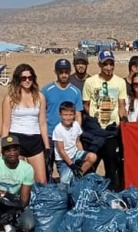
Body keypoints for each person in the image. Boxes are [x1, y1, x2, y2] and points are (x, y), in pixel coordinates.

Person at [82, 50, 128, 190]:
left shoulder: (120, 82)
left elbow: (121, 105)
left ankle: (111, 193)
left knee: (111, 166)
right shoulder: (90, 82)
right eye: (105, 64)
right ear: (99, 65)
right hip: (95, 131)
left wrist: (124, 120)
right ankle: (88, 193)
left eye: (111, 64)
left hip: (111, 132)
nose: (108, 67)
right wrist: (93, 119)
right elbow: (86, 104)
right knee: (91, 165)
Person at [1, 64, 49, 184]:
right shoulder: (10, 98)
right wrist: (4, 146)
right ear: (18, 79)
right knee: (18, 180)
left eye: (30, 77)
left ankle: (37, 203)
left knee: (41, 181)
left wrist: (47, 147)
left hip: (35, 140)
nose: (27, 80)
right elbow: (6, 124)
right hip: (17, 140)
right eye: (23, 78)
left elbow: (42, 122)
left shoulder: (40, 97)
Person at [42, 59, 84, 179]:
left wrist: (76, 134)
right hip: (50, 135)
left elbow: (78, 114)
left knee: (67, 169)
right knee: (47, 168)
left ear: (70, 72)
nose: (64, 75)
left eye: (66, 72)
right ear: (56, 72)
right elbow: (42, 114)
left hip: (68, 137)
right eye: (61, 72)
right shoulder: (46, 90)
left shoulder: (75, 92)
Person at [54, 101, 97, 184]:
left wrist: (81, 154)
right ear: (60, 115)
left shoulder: (76, 125)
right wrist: (71, 165)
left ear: (74, 115)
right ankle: (72, 177)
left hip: (75, 154)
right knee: (64, 181)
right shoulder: (58, 129)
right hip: (63, 160)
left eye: (70, 115)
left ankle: (78, 176)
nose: (68, 118)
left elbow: (77, 142)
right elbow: (61, 151)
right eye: (65, 115)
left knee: (92, 156)